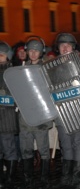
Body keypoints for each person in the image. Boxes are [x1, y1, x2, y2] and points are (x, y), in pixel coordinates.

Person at [53, 33, 80, 189]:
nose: (65, 47)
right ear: (58, 48)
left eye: (68, 45)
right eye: (62, 45)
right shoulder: (52, 67)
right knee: (65, 144)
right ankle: (66, 176)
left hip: (78, 111)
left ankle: (77, 177)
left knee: (78, 143)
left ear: (73, 48)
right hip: (61, 111)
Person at [19, 37, 52, 189]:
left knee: (43, 150)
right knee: (25, 149)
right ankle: (28, 179)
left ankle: (44, 179)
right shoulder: (19, 69)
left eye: (36, 51)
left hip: (40, 116)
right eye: (30, 50)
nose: (33, 53)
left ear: (41, 52)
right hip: (24, 116)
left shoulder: (45, 70)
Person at [0, 41, 18, 189]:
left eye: (1, 55)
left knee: (9, 149)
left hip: (7, 117)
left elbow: (16, 94)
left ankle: (10, 179)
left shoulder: (12, 71)